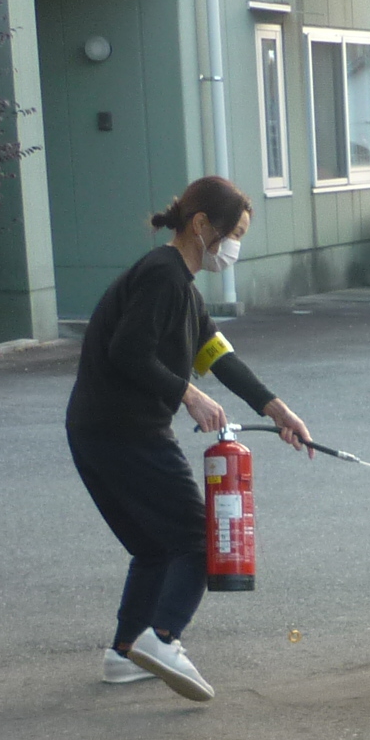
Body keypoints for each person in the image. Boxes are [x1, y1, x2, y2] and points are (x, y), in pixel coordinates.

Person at [65, 176, 313, 702]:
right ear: (201, 225)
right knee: (200, 540)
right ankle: (162, 638)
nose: (235, 248)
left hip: (99, 431)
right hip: (125, 432)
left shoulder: (182, 289)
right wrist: (188, 395)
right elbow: (128, 352)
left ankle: (124, 653)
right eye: (234, 234)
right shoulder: (163, 277)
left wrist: (278, 410)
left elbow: (219, 357)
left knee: (155, 547)